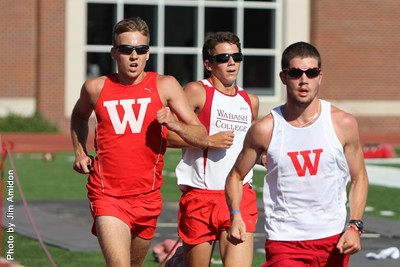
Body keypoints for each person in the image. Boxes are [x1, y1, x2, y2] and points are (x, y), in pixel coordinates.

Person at [70, 17, 208, 267]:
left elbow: (200, 135)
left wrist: (173, 123)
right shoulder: (95, 87)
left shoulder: (165, 85)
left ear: (148, 53)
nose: (133, 56)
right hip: (107, 195)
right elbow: (79, 116)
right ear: (114, 53)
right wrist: (80, 152)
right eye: (126, 50)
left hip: (148, 197)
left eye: (140, 49)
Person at [225, 41, 369, 267]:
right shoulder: (265, 129)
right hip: (285, 240)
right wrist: (235, 215)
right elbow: (235, 176)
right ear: (283, 77)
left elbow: (359, 177)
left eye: (311, 73)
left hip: (333, 240)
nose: (304, 80)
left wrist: (354, 226)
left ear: (320, 76)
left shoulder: (343, 124)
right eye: (296, 73)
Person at [167, 31, 260, 266]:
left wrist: (263, 156)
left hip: (239, 197)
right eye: (223, 58)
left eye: (236, 57)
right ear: (208, 64)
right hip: (200, 196)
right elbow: (166, 136)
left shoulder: (250, 101)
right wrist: (206, 141)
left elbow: (248, 147)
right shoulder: (197, 91)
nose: (231, 62)